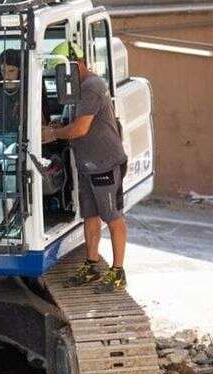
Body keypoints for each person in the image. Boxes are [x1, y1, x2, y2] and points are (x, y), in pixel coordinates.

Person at [42, 41, 129, 292]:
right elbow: (75, 121)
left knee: (112, 216)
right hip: (88, 164)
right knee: (90, 216)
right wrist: (58, 125)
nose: (60, 77)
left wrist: (52, 135)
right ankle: (91, 265)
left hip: (104, 163)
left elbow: (80, 129)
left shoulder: (91, 86)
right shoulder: (77, 88)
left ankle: (118, 271)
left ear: (76, 63)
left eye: (62, 71)